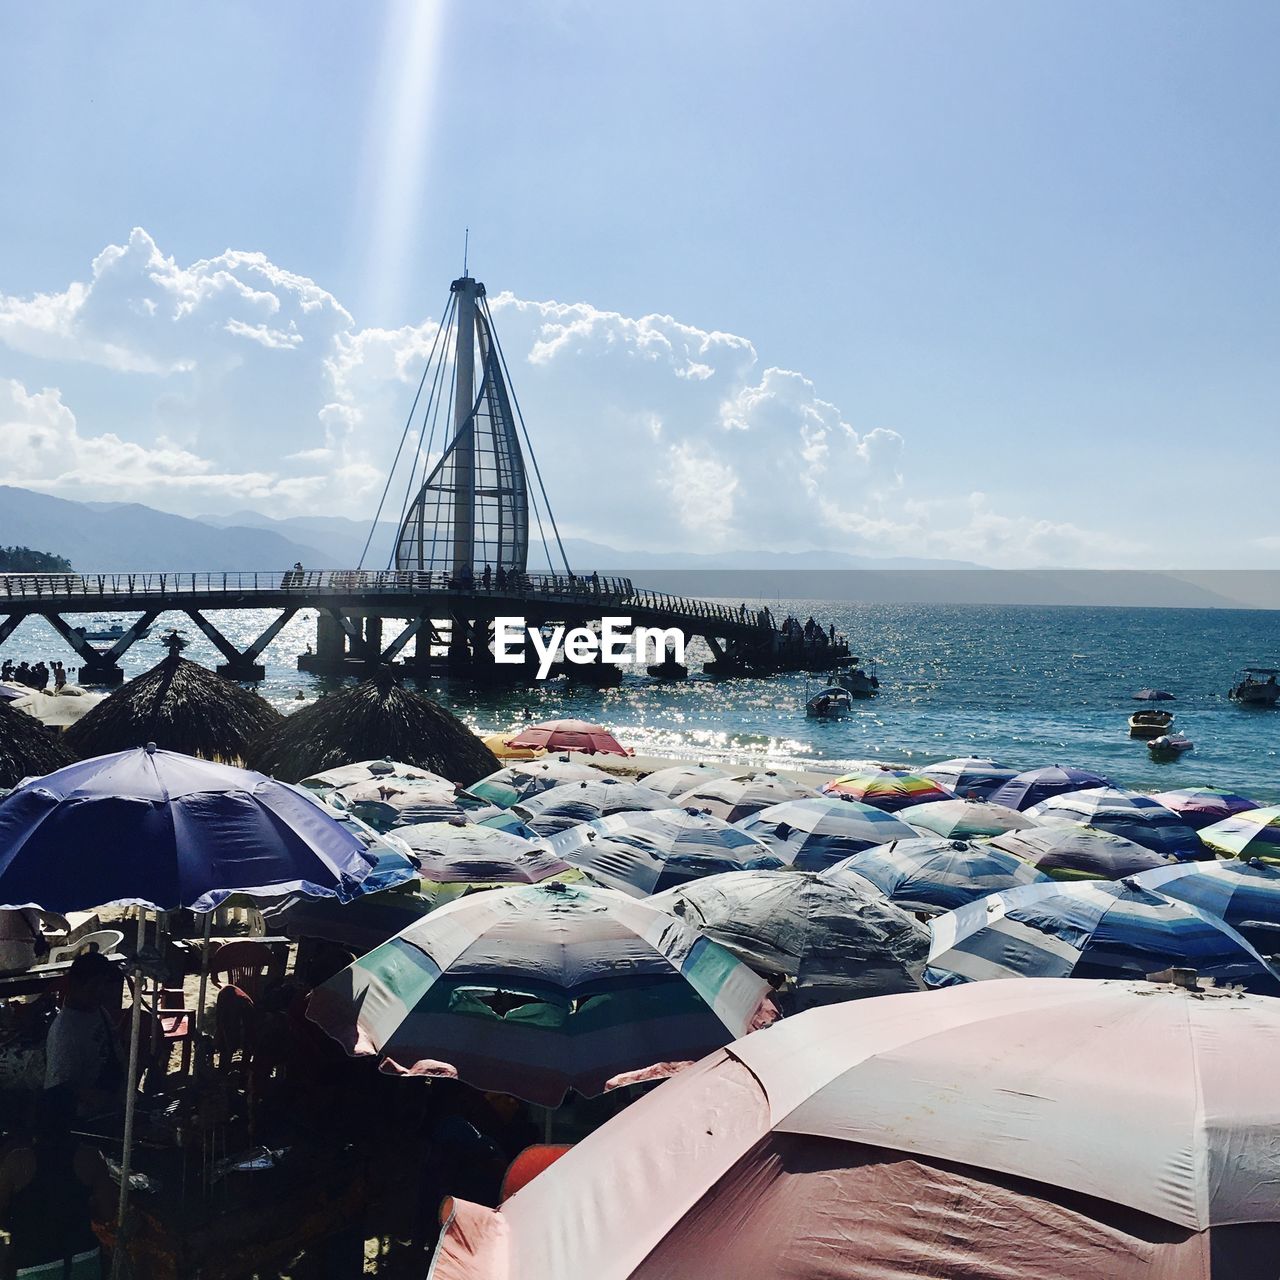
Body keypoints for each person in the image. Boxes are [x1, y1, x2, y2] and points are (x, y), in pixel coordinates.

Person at [0, 1089, 113, 1280]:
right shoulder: (90, 1158)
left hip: (33, 1265)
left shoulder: (17, 1162)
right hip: (82, 1260)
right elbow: (108, 1212)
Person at [44, 953, 126, 1120]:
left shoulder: (99, 1011)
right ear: (75, 985)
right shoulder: (65, 1031)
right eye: (95, 986)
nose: (101, 992)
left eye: (104, 985)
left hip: (113, 1100)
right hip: (85, 1116)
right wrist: (100, 1099)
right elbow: (60, 1087)